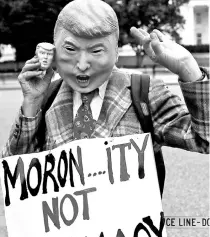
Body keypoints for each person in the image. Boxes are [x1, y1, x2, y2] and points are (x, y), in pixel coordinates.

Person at [1, 0, 209, 162]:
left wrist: (187, 67)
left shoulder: (145, 93)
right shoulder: (46, 99)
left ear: (116, 53)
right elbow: (16, 175)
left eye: (96, 51)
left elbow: (204, 140)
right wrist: (31, 103)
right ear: (54, 50)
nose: (82, 64)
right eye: (70, 49)